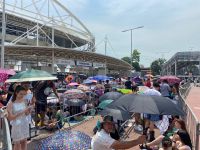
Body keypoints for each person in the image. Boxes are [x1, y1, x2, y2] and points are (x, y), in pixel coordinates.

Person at [7, 85, 33, 150]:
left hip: (24, 123)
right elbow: (10, 118)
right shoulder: (11, 103)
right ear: (16, 93)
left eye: (24, 94)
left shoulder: (24, 101)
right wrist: (21, 112)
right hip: (16, 125)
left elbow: (26, 114)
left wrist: (29, 110)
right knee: (17, 144)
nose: (22, 96)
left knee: (24, 141)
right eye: (21, 94)